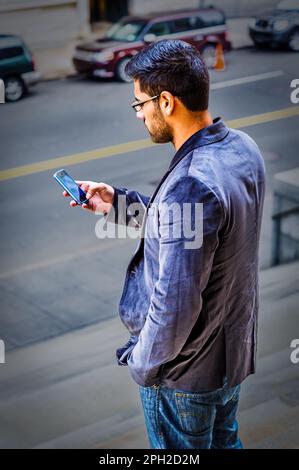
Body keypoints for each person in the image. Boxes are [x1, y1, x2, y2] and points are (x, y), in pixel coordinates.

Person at [63, 39, 266, 449]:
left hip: (185, 377)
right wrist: (117, 204)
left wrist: (143, 366)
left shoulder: (191, 182)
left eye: (140, 104)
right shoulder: (242, 147)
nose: (139, 115)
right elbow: (199, 228)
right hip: (230, 357)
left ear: (167, 102)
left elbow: (174, 305)